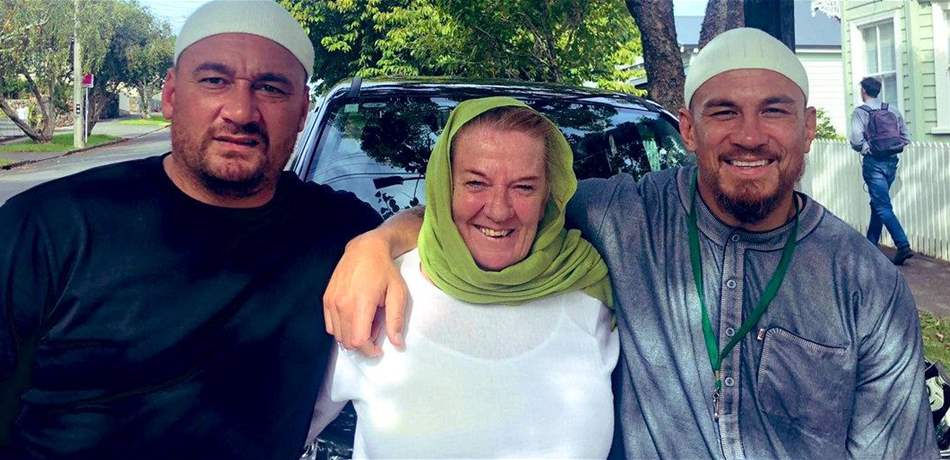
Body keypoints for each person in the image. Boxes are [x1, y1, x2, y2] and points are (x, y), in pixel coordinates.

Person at [322, 28, 938, 458]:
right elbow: (494, 213)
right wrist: (374, 245)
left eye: (774, 111)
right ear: (689, 129)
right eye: (724, 112)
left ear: (808, 128)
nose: (750, 136)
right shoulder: (626, 217)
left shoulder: (865, 284)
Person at [0, 1, 380, 459]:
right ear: (171, 95)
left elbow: (450, 225)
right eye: (215, 80)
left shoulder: (340, 233)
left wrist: (385, 240)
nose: (240, 111)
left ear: (302, 112)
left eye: (270, 88)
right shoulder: (49, 227)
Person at [308, 97, 618, 458]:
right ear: (445, 188)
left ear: (547, 195)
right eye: (476, 183)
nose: (499, 211)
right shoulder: (374, 290)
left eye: (524, 187)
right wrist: (374, 243)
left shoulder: (590, 291)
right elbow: (281, 432)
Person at [849, 76, 913, 265]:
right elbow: (906, 137)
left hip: (874, 164)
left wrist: (869, 149)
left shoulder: (861, 112)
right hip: (892, 163)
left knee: (882, 206)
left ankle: (903, 245)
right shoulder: (892, 109)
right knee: (877, 203)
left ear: (863, 91)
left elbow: (856, 140)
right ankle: (870, 246)